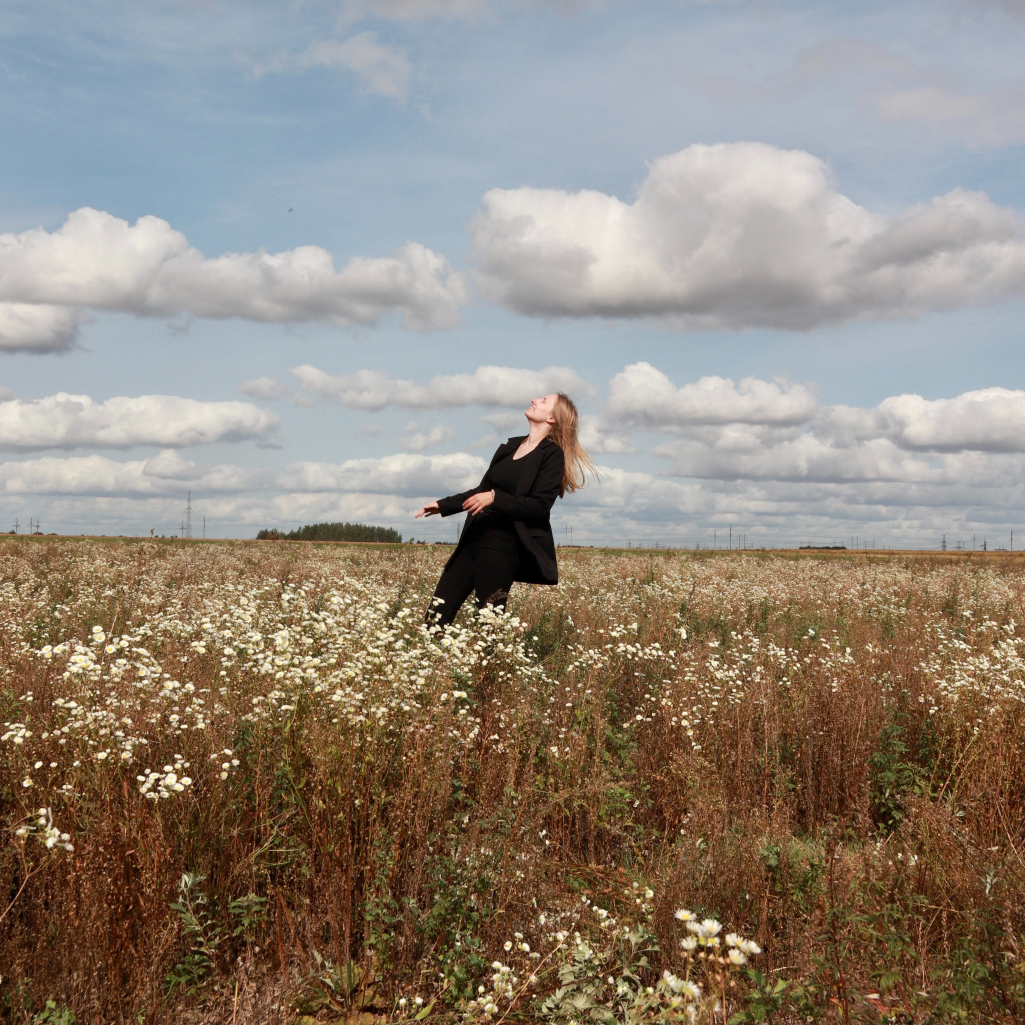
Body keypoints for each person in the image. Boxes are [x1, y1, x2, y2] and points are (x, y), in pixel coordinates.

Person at [415, 392, 595, 627]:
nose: (534, 400)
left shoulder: (551, 456)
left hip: (503, 547)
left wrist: (495, 497)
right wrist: (444, 505)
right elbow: (482, 490)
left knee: (487, 626)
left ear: (553, 418)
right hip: (473, 539)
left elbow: (539, 507)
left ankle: (488, 665)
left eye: (543, 401)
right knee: (435, 617)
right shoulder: (509, 447)